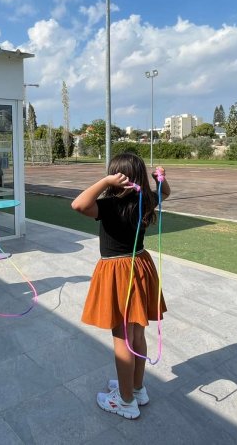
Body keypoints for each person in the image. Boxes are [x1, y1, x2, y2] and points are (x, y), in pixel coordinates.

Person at [71, 153, 171, 419]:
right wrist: (159, 180)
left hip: (119, 272)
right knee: (136, 335)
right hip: (140, 266)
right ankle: (136, 389)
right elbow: (165, 193)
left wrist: (105, 182)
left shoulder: (109, 205)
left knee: (123, 339)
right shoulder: (145, 200)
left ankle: (125, 401)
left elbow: (78, 204)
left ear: (116, 177)